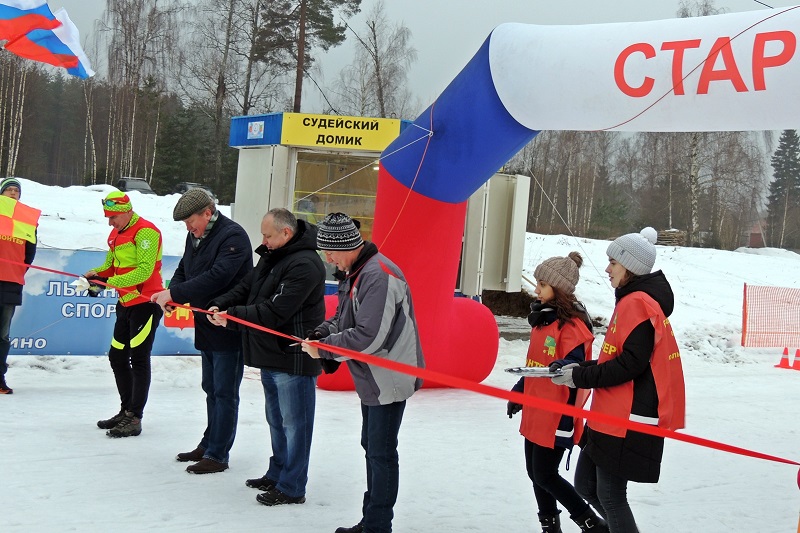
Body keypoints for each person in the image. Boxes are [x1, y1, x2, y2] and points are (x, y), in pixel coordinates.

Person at [551, 228, 685, 533]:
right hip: (608, 414)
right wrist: (577, 369)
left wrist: (580, 375)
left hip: (625, 417)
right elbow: (617, 359)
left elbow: (629, 365)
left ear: (631, 267)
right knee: (586, 485)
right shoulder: (630, 299)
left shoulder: (638, 302)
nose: (608, 269)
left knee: (610, 495)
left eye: (614, 262)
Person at [301, 212, 425, 533]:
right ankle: (371, 520)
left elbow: (370, 337)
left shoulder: (378, 275)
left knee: (381, 452)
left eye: (330, 251)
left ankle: (378, 525)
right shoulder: (355, 273)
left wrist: (325, 348)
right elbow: (345, 321)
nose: (328, 259)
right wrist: (320, 334)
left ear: (345, 246)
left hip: (390, 377)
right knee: (371, 446)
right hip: (372, 376)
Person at [207, 208, 325, 505]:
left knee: (295, 425)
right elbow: (248, 286)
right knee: (277, 420)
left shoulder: (306, 264)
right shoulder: (274, 255)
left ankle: (292, 486)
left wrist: (231, 316)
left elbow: (275, 312)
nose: (264, 240)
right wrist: (221, 303)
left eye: (268, 235)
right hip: (271, 355)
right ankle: (278, 473)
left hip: (294, 359)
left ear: (286, 233)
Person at [151, 189, 252, 474]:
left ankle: (219, 454)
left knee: (225, 391)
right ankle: (209, 443)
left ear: (208, 213)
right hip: (205, 322)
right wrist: (174, 297)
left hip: (227, 323)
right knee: (211, 388)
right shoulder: (196, 235)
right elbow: (186, 267)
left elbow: (218, 276)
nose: (188, 227)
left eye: (190, 221)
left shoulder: (233, 236)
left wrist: (174, 292)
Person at [507, 252, 608, 533]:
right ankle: (550, 526)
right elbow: (535, 364)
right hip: (536, 410)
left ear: (559, 290)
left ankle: (591, 524)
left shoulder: (571, 326)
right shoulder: (543, 321)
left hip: (556, 414)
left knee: (546, 475)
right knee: (535, 474)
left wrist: (561, 365)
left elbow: (575, 363)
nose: (536, 290)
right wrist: (519, 390)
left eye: (542, 284)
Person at [88, 191, 164, 438]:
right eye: (108, 217)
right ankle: (125, 409)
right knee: (117, 356)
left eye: (113, 217)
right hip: (126, 303)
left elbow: (143, 272)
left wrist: (108, 281)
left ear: (127, 211)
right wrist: (94, 276)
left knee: (139, 358)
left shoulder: (146, 232)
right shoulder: (115, 234)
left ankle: (135, 417)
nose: (110, 222)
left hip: (145, 302)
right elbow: (109, 266)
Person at [0, 178, 38, 394]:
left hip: (11, 283)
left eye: (16, 190)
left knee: (2, 335)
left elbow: (29, 253)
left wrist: (17, 271)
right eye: (8, 190)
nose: (13, 193)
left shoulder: (26, 220)